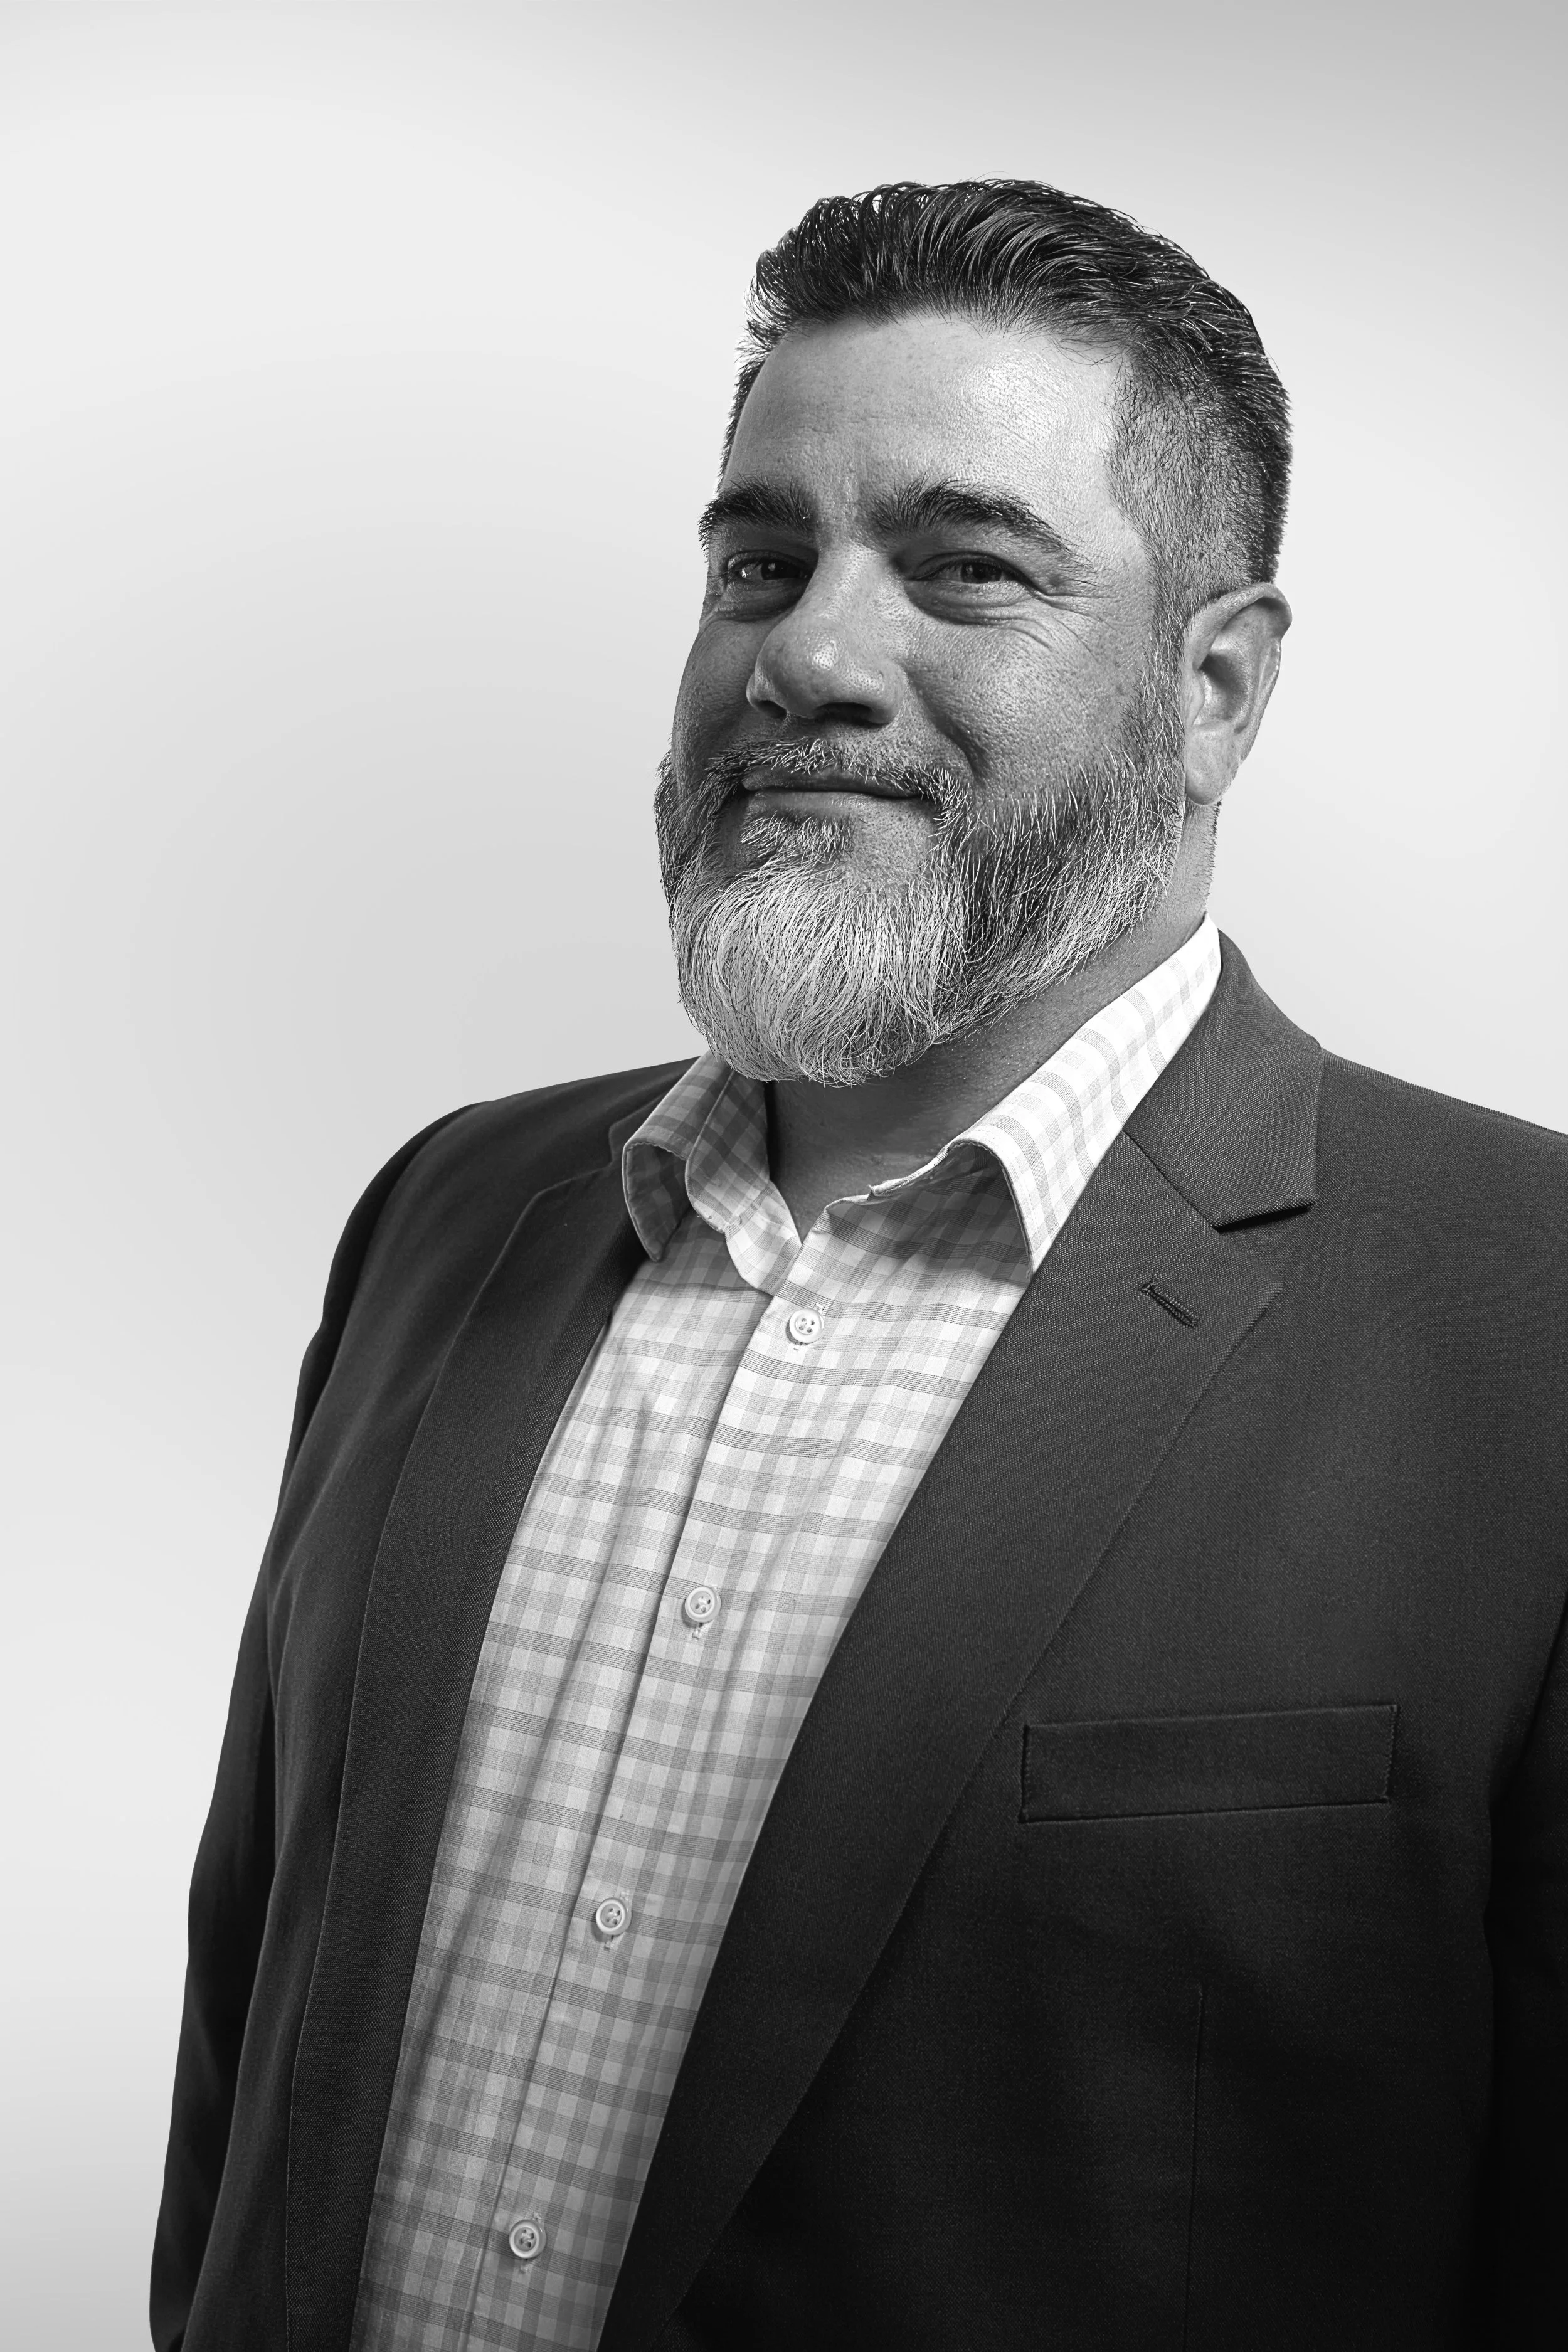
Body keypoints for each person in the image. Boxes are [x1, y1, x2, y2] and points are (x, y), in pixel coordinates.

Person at [152, 180, 1568, 2352]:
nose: (806, 652)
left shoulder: (1528, 1317)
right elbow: (255, 2006)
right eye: (756, 560)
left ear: (1214, 687)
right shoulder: (450, 1215)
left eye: (963, 565)